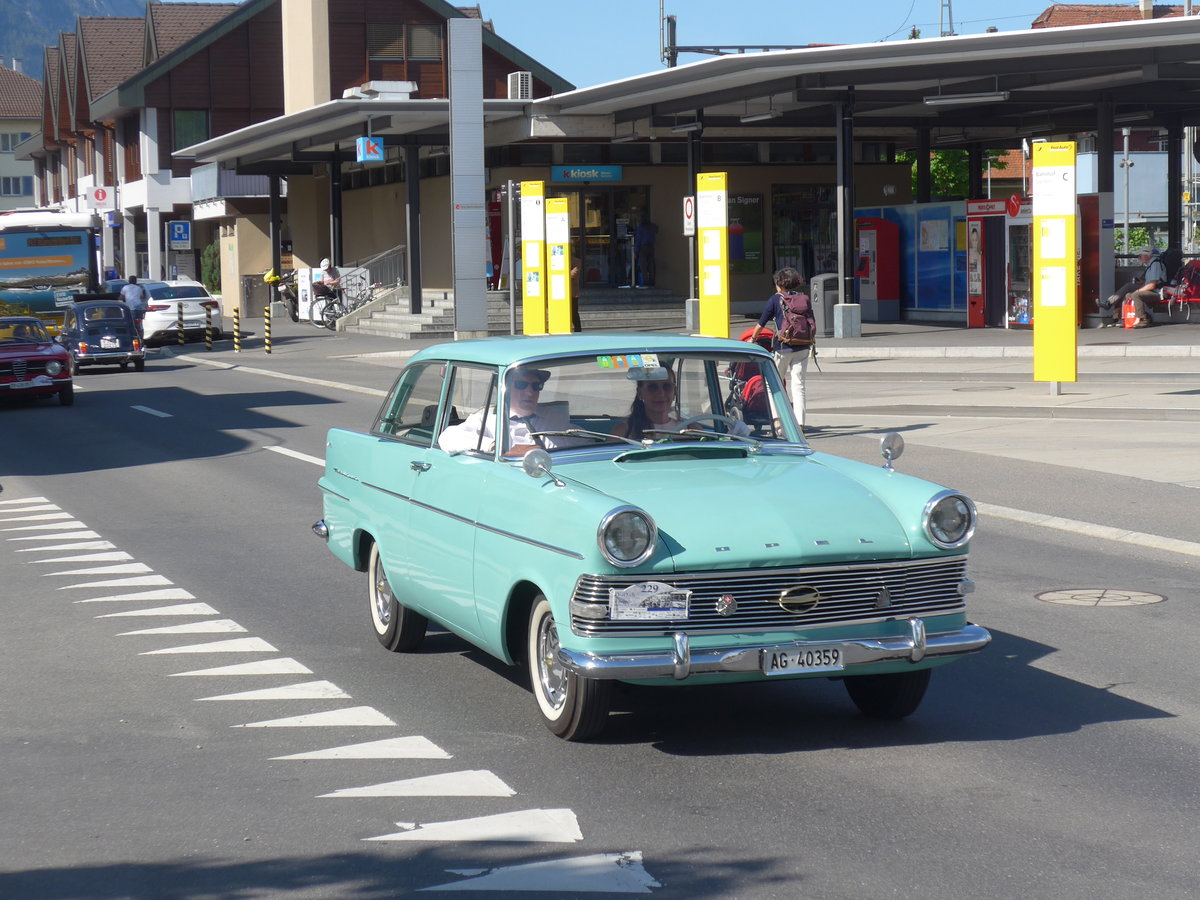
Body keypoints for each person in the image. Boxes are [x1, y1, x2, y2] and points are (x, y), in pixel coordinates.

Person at [438, 366, 575, 455]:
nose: (529, 392)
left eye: (536, 386)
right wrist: (498, 448)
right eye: (521, 385)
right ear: (505, 389)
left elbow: (584, 443)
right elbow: (447, 438)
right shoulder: (488, 419)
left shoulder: (552, 417)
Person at [748, 266, 814, 428]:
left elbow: (761, 323)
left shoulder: (776, 299)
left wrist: (753, 338)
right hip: (803, 347)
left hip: (783, 347)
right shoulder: (803, 299)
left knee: (773, 384)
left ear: (779, 283)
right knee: (799, 385)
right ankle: (800, 423)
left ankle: (777, 420)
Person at [613, 369, 679, 440]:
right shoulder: (622, 432)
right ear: (640, 393)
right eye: (652, 387)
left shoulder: (689, 430)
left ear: (674, 392)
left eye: (667, 386)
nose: (661, 394)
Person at [1125, 247, 1168, 327]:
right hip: (1153, 291)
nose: (1139, 258)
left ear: (1147, 256)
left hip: (1159, 293)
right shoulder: (1150, 265)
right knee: (1129, 295)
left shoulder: (1155, 264)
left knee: (1136, 295)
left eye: (1140, 256)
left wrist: (1138, 291)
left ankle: (1143, 319)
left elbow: (1152, 285)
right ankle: (1136, 317)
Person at [634, 212, 658, 288]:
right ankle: (652, 280)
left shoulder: (640, 228)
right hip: (651, 246)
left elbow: (638, 240)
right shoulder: (652, 226)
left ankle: (646, 281)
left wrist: (636, 251)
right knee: (651, 264)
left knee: (643, 265)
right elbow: (657, 229)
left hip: (643, 247)